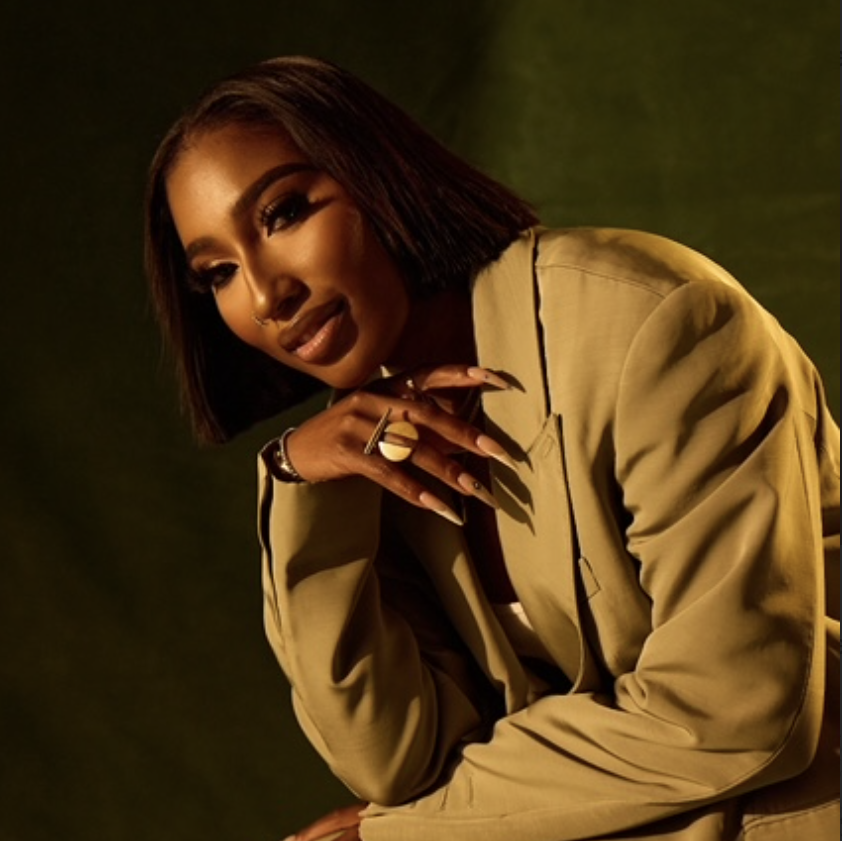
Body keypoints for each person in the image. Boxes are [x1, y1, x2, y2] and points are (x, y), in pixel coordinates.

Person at [144, 56, 839, 841]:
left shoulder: (655, 324)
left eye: (285, 213)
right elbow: (395, 761)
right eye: (219, 272)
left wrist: (398, 832)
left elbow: (733, 714)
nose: (267, 295)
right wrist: (305, 490)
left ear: (378, 173)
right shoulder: (376, 446)